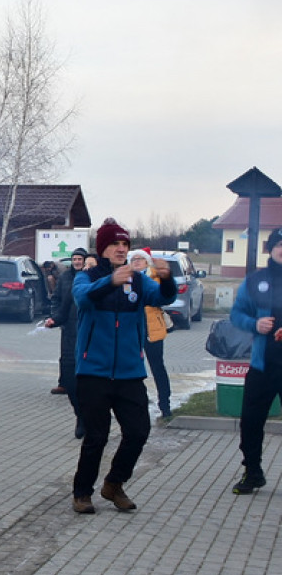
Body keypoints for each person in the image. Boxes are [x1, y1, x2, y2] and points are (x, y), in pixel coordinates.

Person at [70, 218, 176, 514]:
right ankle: (82, 492)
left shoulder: (138, 280)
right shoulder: (88, 277)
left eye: (125, 244)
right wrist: (110, 282)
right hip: (93, 371)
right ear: (102, 248)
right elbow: (82, 299)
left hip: (130, 372)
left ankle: (114, 483)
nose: (121, 249)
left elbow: (163, 297)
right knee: (97, 437)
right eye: (115, 244)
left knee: (139, 431)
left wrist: (167, 278)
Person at [228, 227, 282, 495]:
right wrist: (255, 324)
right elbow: (236, 314)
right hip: (263, 366)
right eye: (280, 244)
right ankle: (253, 473)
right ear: (271, 249)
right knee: (250, 421)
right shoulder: (255, 280)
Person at [45, 247, 88, 437]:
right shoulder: (65, 277)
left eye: (80, 259)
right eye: (75, 259)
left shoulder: (91, 278)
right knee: (70, 377)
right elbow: (57, 299)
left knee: (85, 380)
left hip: (88, 332)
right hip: (69, 330)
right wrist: (56, 318)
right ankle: (79, 412)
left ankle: (86, 419)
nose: (77, 262)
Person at [128, 248, 172, 419]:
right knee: (133, 368)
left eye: (140, 259)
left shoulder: (155, 277)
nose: (137, 261)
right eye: (134, 259)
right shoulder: (127, 278)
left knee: (157, 367)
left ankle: (165, 404)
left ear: (147, 262)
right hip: (133, 330)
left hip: (152, 328)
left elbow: (165, 296)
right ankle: (137, 403)